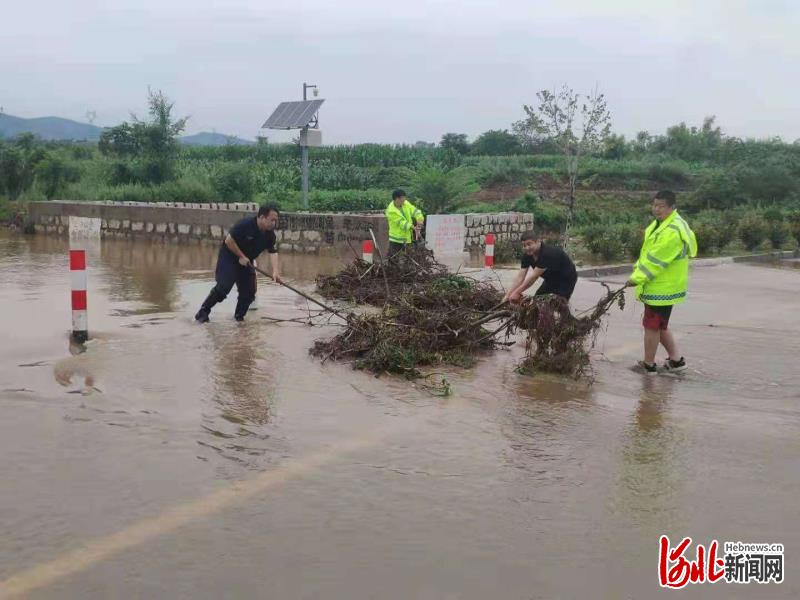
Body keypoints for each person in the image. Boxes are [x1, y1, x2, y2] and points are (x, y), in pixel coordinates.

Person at [626, 190, 697, 374]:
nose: (656, 209)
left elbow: (656, 260)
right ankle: (676, 361)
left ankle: (648, 365)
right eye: (655, 205)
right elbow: (648, 254)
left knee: (651, 326)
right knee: (660, 325)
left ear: (672, 207)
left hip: (662, 288)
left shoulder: (672, 231)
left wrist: (636, 278)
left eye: (661, 206)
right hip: (662, 286)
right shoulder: (663, 224)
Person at [195, 204, 282, 323]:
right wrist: (241, 256)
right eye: (272, 220)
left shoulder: (270, 235)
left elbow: (273, 252)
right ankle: (203, 312)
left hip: (247, 261)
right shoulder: (245, 225)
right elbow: (228, 240)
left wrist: (275, 272)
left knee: (249, 292)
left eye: (276, 221)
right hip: (230, 256)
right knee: (223, 287)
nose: (274, 224)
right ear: (262, 217)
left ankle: (239, 318)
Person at [503, 229, 578, 302]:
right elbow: (520, 277)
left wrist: (517, 292)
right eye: (524, 245)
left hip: (566, 279)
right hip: (550, 279)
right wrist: (508, 295)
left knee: (559, 304)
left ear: (538, 241)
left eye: (529, 244)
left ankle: (564, 313)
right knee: (537, 301)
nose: (526, 248)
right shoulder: (527, 255)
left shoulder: (546, 254)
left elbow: (533, 277)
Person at [385, 188, 424, 257]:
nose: (404, 201)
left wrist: (419, 219)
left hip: (407, 237)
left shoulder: (405, 203)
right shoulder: (390, 211)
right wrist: (414, 228)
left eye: (404, 198)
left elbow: (414, 211)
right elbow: (402, 223)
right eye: (402, 199)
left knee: (407, 259)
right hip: (396, 240)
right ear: (397, 199)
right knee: (394, 260)